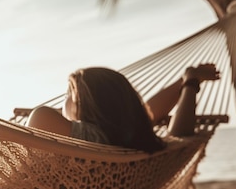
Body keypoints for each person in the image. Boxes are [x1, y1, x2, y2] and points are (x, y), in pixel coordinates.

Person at [26, 64, 220, 153]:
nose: (63, 100)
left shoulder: (47, 119)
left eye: (69, 93)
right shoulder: (126, 140)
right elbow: (178, 132)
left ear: (87, 104)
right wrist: (188, 82)